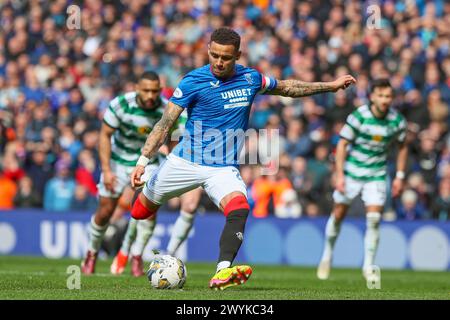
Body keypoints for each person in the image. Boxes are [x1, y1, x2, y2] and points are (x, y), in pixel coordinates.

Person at [127, 27, 356, 290]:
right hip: (185, 162)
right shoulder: (192, 81)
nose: (218, 62)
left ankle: (222, 271)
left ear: (238, 55)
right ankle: (132, 244)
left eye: (225, 57)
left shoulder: (250, 79)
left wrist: (330, 86)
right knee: (139, 211)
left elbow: (288, 88)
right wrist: (143, 162)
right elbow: (165, 124)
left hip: (222, 168)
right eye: (214, 55)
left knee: (240, 206)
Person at [317, 79, 408, 282]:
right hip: (352, 172)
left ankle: (368, 265)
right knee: (339, 214)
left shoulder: (397, 121)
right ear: (373, 97)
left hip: (376, 174)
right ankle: (327, 255)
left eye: (388, 96)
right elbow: (342, 145)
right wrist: (340, 175)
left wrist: (400, 176)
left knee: (374, 219)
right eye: (381, 96)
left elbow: (402, 147)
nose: (385, 100)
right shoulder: (359, 116)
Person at [81, 71, 170, 275]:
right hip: (118, 163)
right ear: (137, 88)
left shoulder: (166, 109)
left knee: (148, 210)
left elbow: (172, 140)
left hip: (149, 163)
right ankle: (91, 253)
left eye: (154, 91)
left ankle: (137, 256)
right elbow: (104, 135)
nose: (150, 95)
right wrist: (105, 169)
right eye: (146, 90)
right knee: (105, 212)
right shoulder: (120, 104)